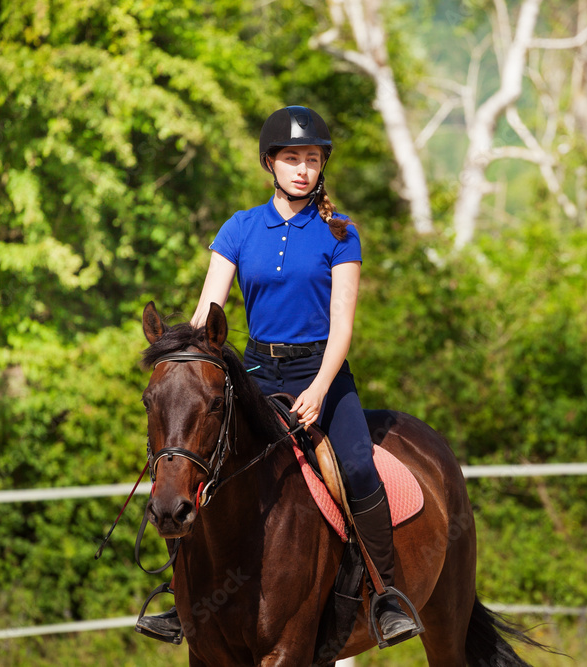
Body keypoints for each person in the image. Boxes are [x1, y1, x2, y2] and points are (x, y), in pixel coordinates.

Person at [135, 106, 419, 647]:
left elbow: (342, 328)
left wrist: (317, 391)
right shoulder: (240, 228)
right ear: (270, 163)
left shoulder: (341, 232)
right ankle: (181, 595)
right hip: (257, 376)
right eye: (292, 159)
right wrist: (183, 359)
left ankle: (387, 595)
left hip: (322, 374)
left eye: (312, 160)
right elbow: (205, 313)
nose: (302, 170)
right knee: (194, 463)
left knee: (357, 467)